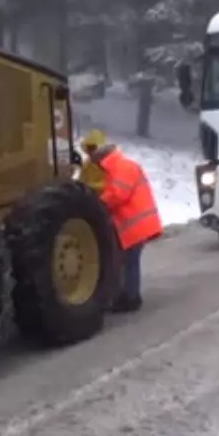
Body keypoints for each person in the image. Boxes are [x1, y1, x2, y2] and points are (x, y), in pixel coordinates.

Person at [86, 133, 163, 312]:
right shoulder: (121, 167)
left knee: (129, 262)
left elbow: (118, 194)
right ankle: (128, 295)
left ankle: (131, 298)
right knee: (128, 261)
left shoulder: (122, 168)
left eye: (98, 164)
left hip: (136, 225)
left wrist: (98, 204)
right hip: (135, 225)